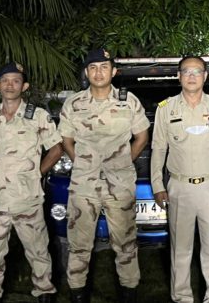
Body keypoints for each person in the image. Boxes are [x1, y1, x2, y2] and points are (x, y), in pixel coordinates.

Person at [57, 48, 150, 303]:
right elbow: (66, 140)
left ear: (114, 71)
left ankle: (128, 293)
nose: (99, 72)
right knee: (79, 245)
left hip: (119, 185)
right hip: (83, 185)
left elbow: (142, 136)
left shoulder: (128, 101)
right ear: (87, 73)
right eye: (93, 67)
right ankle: (78, 294)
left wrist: (123, 162)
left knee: (126, 244)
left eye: (104, 67)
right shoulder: (73, 104)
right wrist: (83, 163)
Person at [0, 62, 62, 303]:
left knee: (38, 253)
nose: (10, 85)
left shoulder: (37, 116)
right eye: (5, 81)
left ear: (24, 86)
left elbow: (56, 148)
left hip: (27, 199)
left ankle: (44, 293)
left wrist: (36, 173)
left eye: (16, 81)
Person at [151, 56, 209, 303]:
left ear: (205, 76)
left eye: (197, 71)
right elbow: (158, 149)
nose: (191, 76)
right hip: (179, 187)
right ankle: (182, 298)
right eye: (186, 71)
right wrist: (157, 185)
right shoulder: (166, 108)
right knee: (180, 250)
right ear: (179, 76)